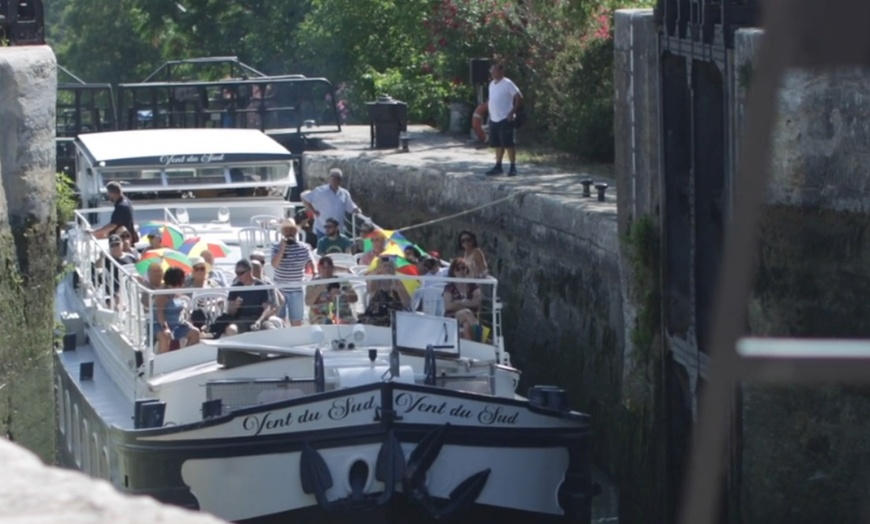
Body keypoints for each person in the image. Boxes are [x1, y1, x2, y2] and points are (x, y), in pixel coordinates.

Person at [209, 259, 279, 338]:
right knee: (231, 329)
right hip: (241, 320)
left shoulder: (261, 286)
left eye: (240, 273)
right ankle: (236, 350)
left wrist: (259, 321)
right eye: (236, 273)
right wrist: (235, 305)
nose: (238, 276)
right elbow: (230, 311)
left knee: (271, 330)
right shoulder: (236, 287)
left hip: (259, 319)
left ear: (249, 271)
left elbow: (267, 308)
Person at [270, 219, 315, 326]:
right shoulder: (276, 246)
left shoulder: (304, 247)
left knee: (296, 321)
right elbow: (274, 264)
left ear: (296, 231)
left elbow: (311, 261)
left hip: (296, 289)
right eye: (286, 230)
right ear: (282, 232)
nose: (289, 232)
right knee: (279, 321)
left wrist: (315, 272)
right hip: (279, 289)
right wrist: (282, 249)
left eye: (291, 230)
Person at [484, 61, 523, 178]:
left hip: (505, 118)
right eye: (491, 70)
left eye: (494, 70)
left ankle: (512, 167)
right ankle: (498, 166)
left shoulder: (507, 83)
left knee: (508, 144)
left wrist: (512, 112)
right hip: (494, 119)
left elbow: (519, 97)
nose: (492, 72)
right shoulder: (491, 84)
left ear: (501, 71)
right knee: (497, 144)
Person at [301, 168, 363, 240]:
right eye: (332, 177)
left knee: (338, 250)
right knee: (323, 250)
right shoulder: (320, 191)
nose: (334, 179)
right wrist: (313, 211)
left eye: (337, 178)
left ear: (340, 180)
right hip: (323, 229)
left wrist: (358, 211)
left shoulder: (344, 193)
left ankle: (368, 249)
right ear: (329, 178)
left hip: (338, 231)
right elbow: (304, 197)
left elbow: (351, 207)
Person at [153, 267, 201, 353]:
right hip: (160, 325)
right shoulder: (162, 295)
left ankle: (185, 357)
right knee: (166, 336)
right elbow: (160, 313)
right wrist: (165, 328)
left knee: (195, 332)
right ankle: (162, 362)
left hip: (177, 325)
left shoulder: (177, 292)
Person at [359, 255, 411, 327]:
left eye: (390, 266)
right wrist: (379, 269)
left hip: (393, 315)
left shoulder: (397, 282)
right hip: (375, 315)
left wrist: (399, 290)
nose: (387, 268)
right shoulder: (376, 281)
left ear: (393, 270)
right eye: (385, 266)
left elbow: (407, 303)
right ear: (380, 269)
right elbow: (370, 286)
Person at [305, 256, 358, 325]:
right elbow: (308, 302)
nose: (326, 270)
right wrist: (322, 286)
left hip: (343, 314)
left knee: (353, 324)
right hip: (321, 316)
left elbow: (355, 298)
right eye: (323, 268)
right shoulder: (313, 284)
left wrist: (342, 294)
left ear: (332, 268)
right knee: (326, 323)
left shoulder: (342, 281)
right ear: (319, 268)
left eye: (328, 268)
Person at [442, 259, 484, 341]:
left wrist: (459, 302)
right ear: (453, 272)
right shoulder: (449, 287)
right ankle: (480, 341)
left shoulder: (473, 285)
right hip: (452, 316)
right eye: (458, 269)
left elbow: (477, 302)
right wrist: (468, 303)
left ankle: (471, 347)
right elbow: (448, 306)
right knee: (467, 312)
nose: (461, 271)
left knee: (466, 325)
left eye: (463, 268)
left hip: (470, 317)